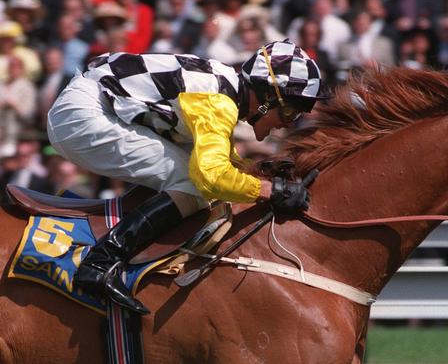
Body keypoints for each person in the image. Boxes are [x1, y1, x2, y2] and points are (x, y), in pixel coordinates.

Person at [46, 39, 325, 314]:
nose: (289, 123)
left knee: (194, 178)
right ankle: (99, 263)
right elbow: (213, 177)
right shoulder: (220, 102)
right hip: (84, 114)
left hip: (91, 103)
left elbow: (222, 162)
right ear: (266, 98)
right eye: (290, 110)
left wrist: (263, 174)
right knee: (195, 184)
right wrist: (269, 191)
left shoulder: (226, 88)